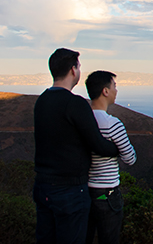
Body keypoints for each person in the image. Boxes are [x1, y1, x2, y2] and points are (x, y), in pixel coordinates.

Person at [34, 48, 119, 244]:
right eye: (79, 67)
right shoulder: (75, 104)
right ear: (73, 70)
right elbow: (97, 144)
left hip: (43, 185)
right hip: (70, 190)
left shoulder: (42, 101)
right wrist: (117, 150)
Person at [84, 71, 136, 244]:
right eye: (114, 86)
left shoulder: (81, 121)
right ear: (105, 91)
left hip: (83, 192)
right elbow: (130, 158)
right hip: (107, 193)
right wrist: (116, 150)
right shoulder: (112, 124)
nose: (116, 90)